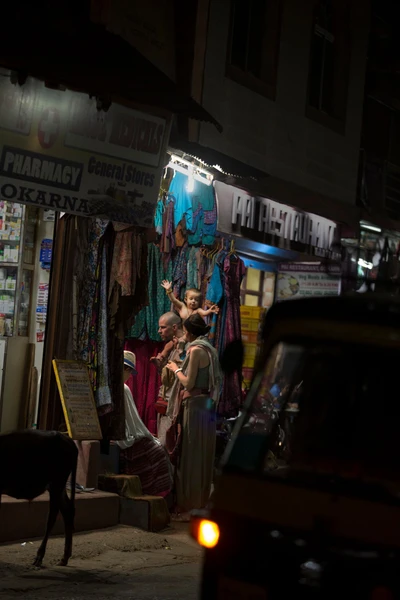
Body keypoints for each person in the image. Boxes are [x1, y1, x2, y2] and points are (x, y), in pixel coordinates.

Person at [166, 314, 223, 520]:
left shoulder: (196, 350)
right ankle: (199, 502)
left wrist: (175, 368)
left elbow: (188, 383)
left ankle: (189, 505)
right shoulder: (211, 349)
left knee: (191, 453)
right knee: (202, 453)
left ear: (189, 332)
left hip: (195, 405)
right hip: (206, 406)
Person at [116, 351, 172, 497]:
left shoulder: (121, 387)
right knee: (157, 451)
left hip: (124, 435)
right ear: (125, 369)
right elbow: (132, 421)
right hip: (124, 437)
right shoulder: (122, 388)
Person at [150, 312, 185, 445]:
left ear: (174, 327)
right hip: (166, 402)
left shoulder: (187, 346)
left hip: (177, 405)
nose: (159, 331)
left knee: (168, 445)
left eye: (163, 327)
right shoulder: (170, 346)